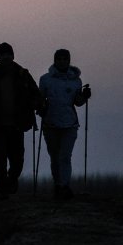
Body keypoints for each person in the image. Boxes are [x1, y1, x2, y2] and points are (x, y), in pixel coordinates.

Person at [0, 42, 40, 199]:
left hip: (17, 125)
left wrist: (36, 103)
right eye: (2, 55)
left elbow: (36, 93)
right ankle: (3, 190)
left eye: (8, 54)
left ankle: (11, 180)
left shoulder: (22, 74)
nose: (6, 57)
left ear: (12, 56)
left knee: (17, 161)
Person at [38, 47, 91, 200]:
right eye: (59, 59)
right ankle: (58, 184)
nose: (62, 62)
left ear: (68, 61)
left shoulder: (75, 80)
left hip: (69, 124)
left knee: (65, 156)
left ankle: (64, 186)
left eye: (64, 59)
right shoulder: (46, 79)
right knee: (54, 157)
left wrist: (84, 96)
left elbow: (77, 102)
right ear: (55, 61)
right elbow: (40, 99)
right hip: (50, 123)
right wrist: (40, 107)